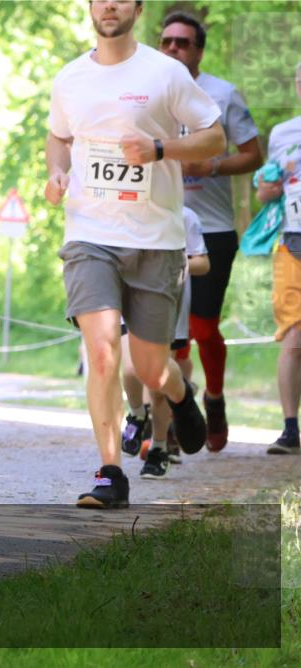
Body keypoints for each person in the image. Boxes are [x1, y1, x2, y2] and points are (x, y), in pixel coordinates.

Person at [44, 0, 226, 509]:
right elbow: (59, 136)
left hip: (155, 240)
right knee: (101, 350)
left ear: (137, 8)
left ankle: (179, 392)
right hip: (89, 234)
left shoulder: (164, 73)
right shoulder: (70, 78)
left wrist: (161, 149)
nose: (109, 5)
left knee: (150, 368)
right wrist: (57, 172)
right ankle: (109, 472)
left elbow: (215, 136)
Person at [160, 12, 264, 452]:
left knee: (201, 327)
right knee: (165, 332)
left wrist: (212, 165)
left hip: (214, 228)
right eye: (166, 42)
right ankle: (172, 420)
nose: (173, 50)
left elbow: (254, 155)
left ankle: (214, 398)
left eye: (183, 43)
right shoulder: (147, 92)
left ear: (199, 50)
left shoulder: (222, 94)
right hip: (159, 224)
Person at [120, 206, 210, 477]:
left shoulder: (185, 216)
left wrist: (174, 260)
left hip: (170, 298)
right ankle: (136, 413)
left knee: (158, 382)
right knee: (130, 368)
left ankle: (159, 447)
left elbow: (203, 263)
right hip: (132, 292)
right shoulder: (124, 207)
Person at [256, 63, 301, 455]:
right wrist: (267, 188)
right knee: (292, 338)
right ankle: (290, 428)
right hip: (291, 243)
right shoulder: (283, 133)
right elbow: (267, 192)